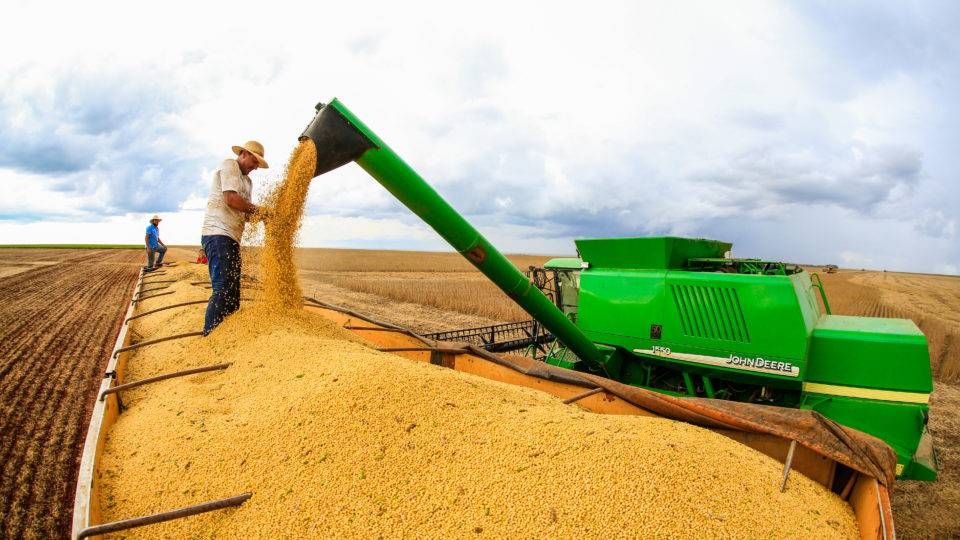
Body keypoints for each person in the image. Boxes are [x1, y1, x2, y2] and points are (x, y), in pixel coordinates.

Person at [200, 140, 269, 335]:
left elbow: (245, 212)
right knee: (222, 288)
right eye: (254, 162)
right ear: (244, 154)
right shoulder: (229, 165)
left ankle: (227, 335)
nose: (255, 167)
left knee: (233, 292)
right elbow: (231, 199)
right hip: (217, 233)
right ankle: (210, 335)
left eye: (258, 164)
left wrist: (264, 217)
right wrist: (261, 211)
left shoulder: (247, 182)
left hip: (232, 238)